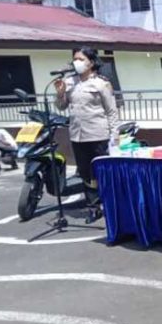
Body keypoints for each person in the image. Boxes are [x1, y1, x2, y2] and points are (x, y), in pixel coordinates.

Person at [53, 47, 118, 224]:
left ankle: (112, 205)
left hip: (99, 134)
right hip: (77, 136)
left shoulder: (101, 83)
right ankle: (94, 207)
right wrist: (60, 92)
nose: (77, 62)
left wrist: (115, 136)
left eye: (81, 59)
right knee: (86, 174)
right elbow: (61, 107)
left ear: (91, 62)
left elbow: (111, 111)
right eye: (75, 59)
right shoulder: (69, 82)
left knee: (103, 172)